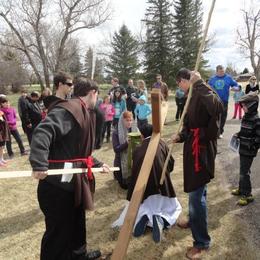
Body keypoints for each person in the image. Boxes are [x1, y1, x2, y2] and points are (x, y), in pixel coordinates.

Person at [29, 79, 110, 260]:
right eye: (97, 96)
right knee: (58, 233)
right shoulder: (69, 110)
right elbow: (43, 132)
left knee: (76, 224)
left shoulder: (82, 110)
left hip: (74, 183)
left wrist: (95, 163)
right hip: (57, 187)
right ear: (92, 93)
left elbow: (76, 150)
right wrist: (39, 163)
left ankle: (79, 256)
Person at [172, 68, 223, 259]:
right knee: (197, 191)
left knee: (196, 194)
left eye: (180, 81)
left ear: (188, 80)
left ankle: (201, 242)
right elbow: (188, 122)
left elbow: (217, 108)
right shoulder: (190, 95)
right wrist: (182, 135)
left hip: (201, 150)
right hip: (192, 148)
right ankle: (195, 221)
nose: (179, 85)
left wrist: (199, 83)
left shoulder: (204, 90)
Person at [112, 124, 182, 243]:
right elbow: (170, 164)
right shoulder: (162, 144)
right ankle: (160, 218)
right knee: (173, 208)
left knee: (143, 206)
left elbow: (133, 171)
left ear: (142, 135)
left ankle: (144, 216)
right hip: (161, 188)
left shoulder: (138, 148)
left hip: (142, 191)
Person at [231, 93, 260, 206]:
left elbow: (258, 137)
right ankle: (240, 189)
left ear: (252, 105)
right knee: (242, 170)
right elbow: (244, 131)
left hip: (249, 151)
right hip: (242, 149)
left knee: (244, 172)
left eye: (245, 106)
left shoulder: (256, 120)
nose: (243, 108)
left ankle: (247, 195)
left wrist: (252, 146)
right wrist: (238, 134)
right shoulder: (245, 117)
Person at [208, 65, 238, 138]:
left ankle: (220, 132)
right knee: (214, 117)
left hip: (224, 101)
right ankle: (214, 131)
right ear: (217, 71)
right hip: (214, 101)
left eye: (223, 71)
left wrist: (235, 88)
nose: (222, 73)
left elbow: (236, 85)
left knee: (223, 117)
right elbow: (208, 88)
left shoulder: (228, 77)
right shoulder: (212, 79)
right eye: (220, 71)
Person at [112, 111, 136, 189]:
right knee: (125, 186)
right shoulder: (116, 133)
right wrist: (126, 143)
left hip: (132, 160)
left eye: (131, 120)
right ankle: (119, 177)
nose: (129, 123)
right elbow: (116, 149)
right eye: (127, 120)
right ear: (122, 120)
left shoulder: (134, 129)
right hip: (120, 161)